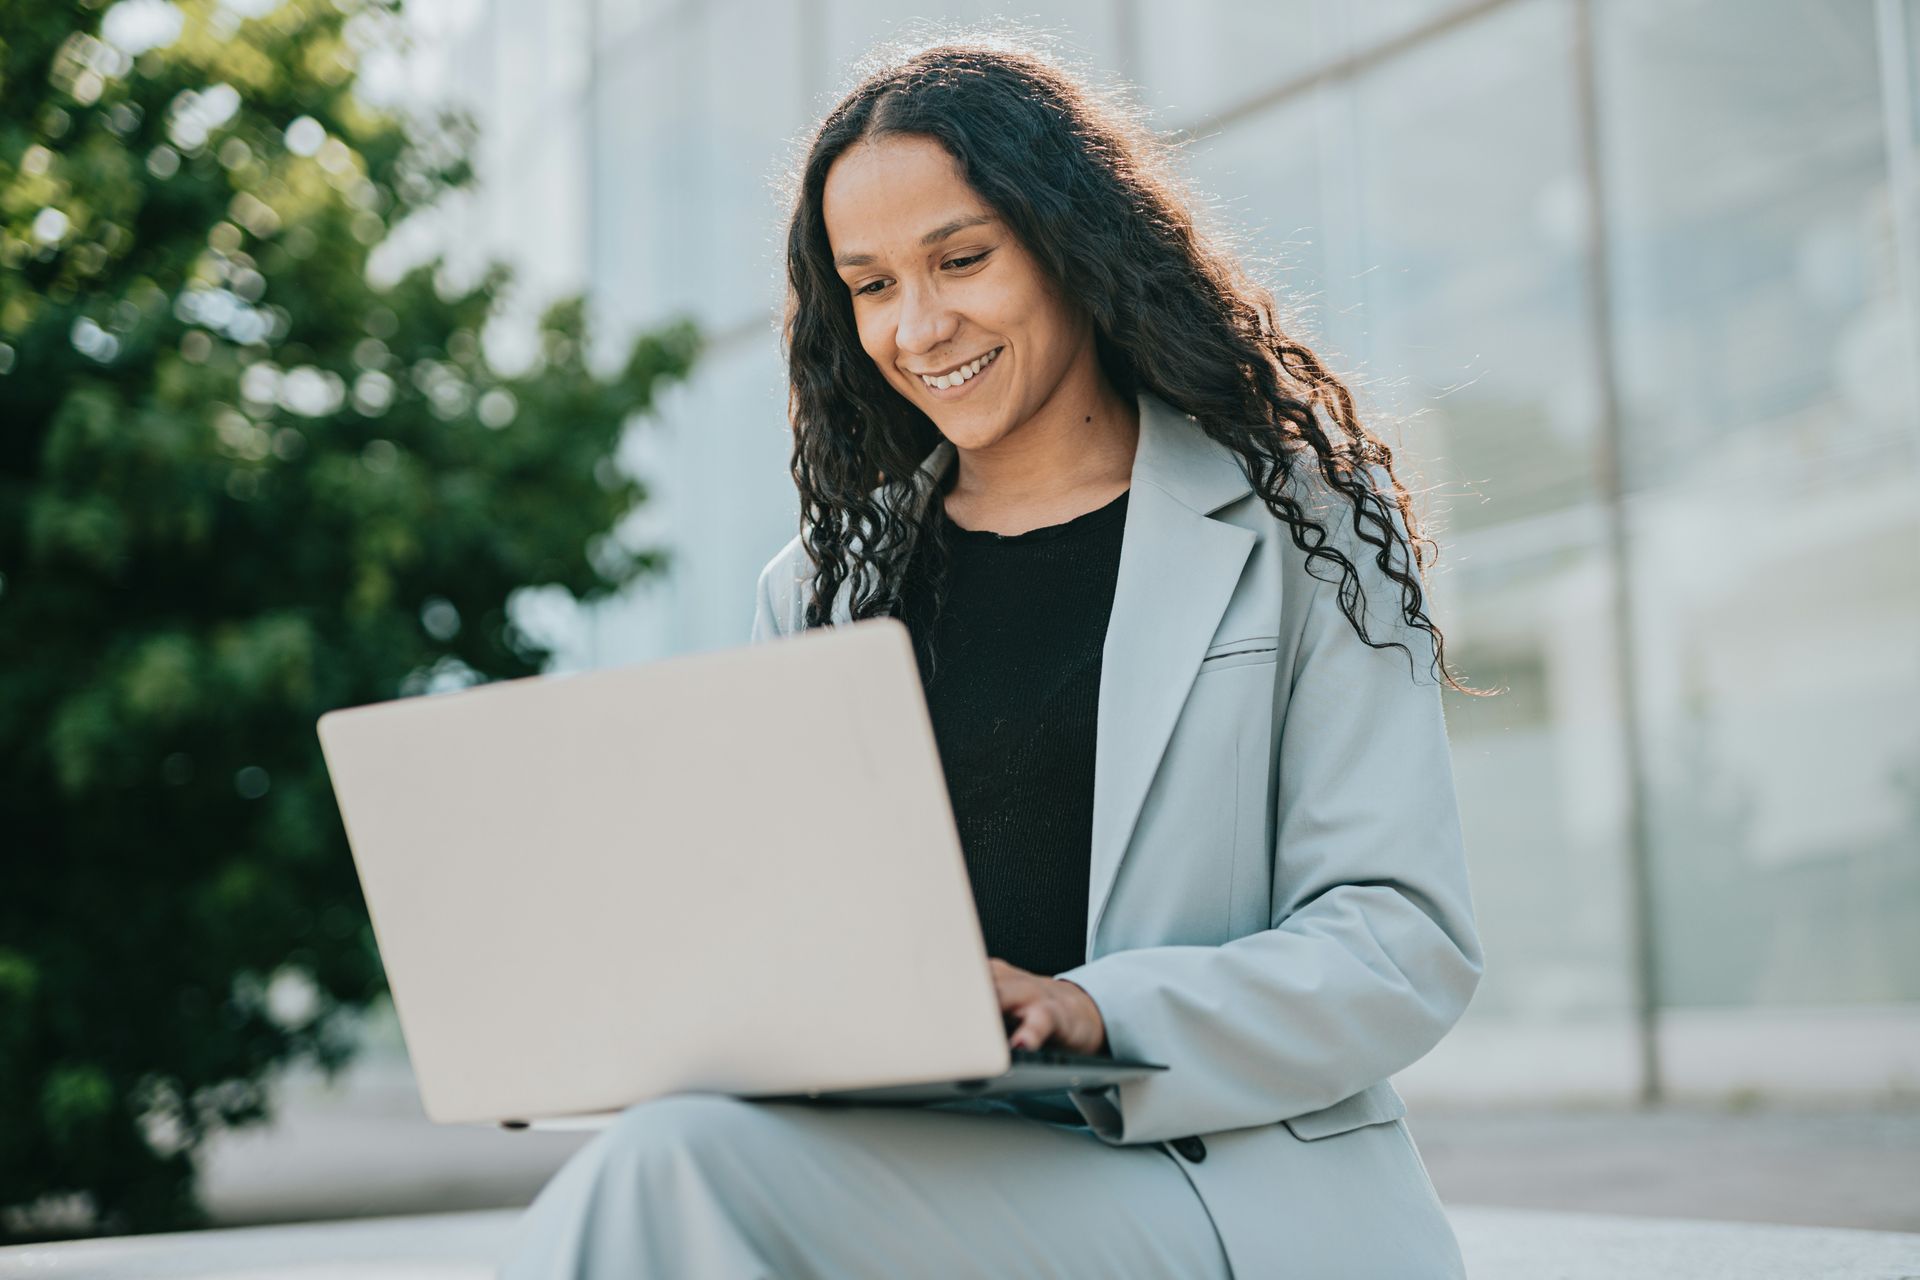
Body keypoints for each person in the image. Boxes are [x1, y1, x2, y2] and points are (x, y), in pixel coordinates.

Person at [500, 33, 1487, 1280]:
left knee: (669, 1175)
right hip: (928, 1161)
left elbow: (1400, 941)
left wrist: (1092, 1009)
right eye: (868, 285)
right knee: (672, 1148)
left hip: (1218, 1185)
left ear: (1070, 242)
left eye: (962, 258)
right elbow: (800, 945)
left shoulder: (1301, 522)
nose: (919, 325)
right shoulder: (820, 593)